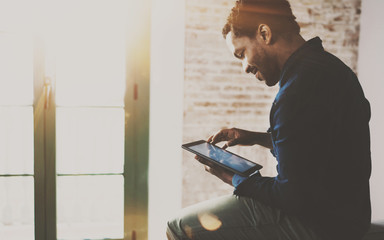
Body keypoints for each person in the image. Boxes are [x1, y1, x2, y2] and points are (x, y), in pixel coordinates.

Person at [167, 0, 371, 239]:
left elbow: (291, 196)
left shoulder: (295, 91)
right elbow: (315, 150)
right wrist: (256, 138)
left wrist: (234, 178)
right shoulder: (332, 69)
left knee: (179, 226)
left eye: (242, 54)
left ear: (264, 33)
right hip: (351, 218)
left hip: (322, 224)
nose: (244, 67)